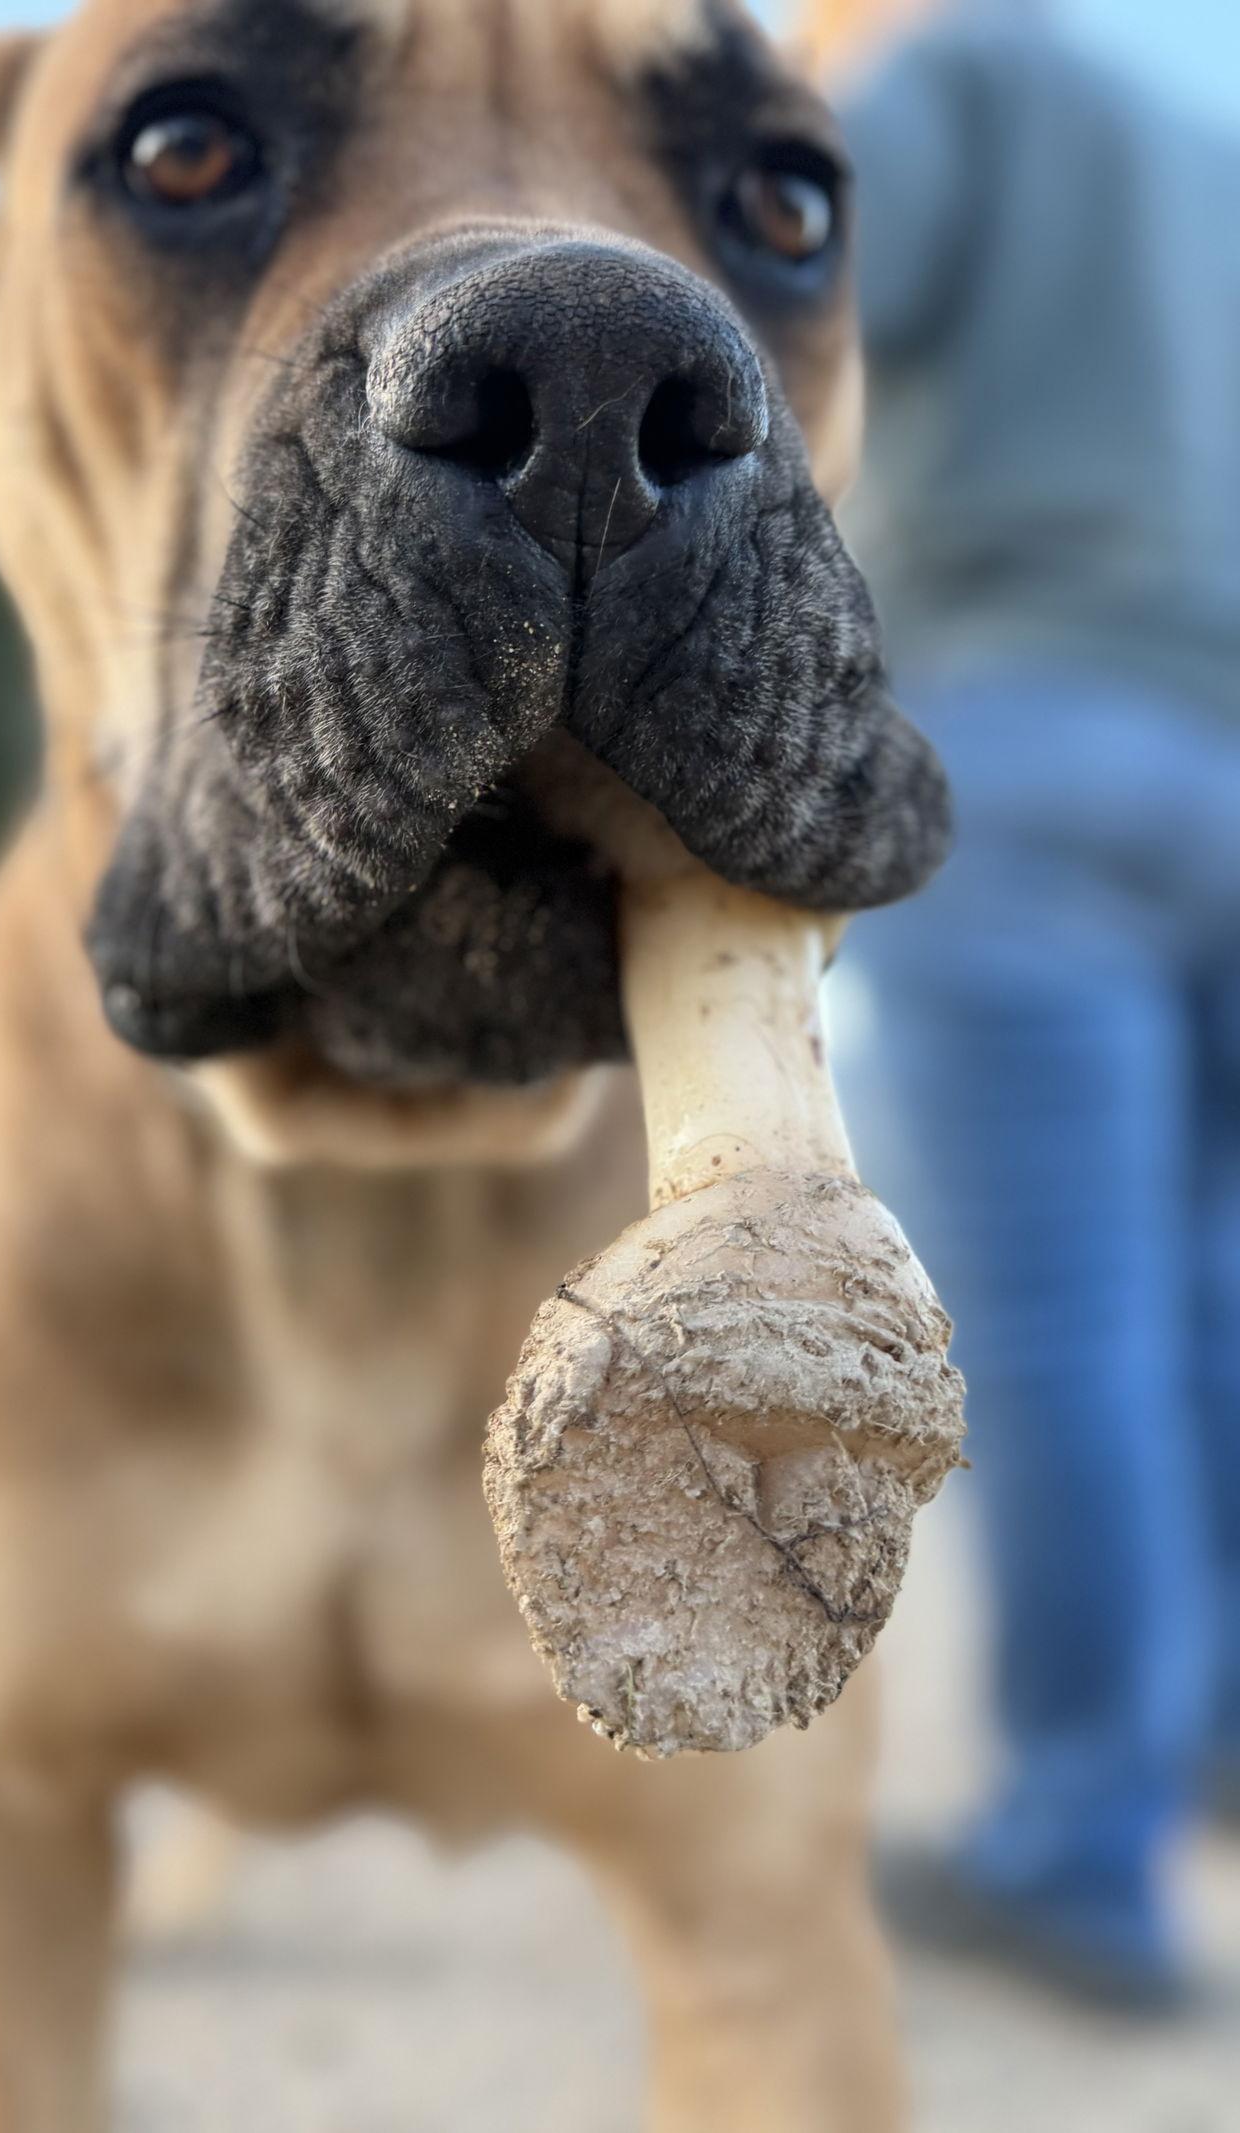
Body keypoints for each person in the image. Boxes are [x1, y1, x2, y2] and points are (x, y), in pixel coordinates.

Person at [808, 0, 1240, 2006]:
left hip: (1022, 728)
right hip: (1222, 755)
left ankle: (1079, 1847)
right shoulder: (1199, 159)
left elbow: (791, 305)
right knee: (1205, 1293)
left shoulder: (951, 78)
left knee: (1063, 1322)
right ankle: (1203, 1739)